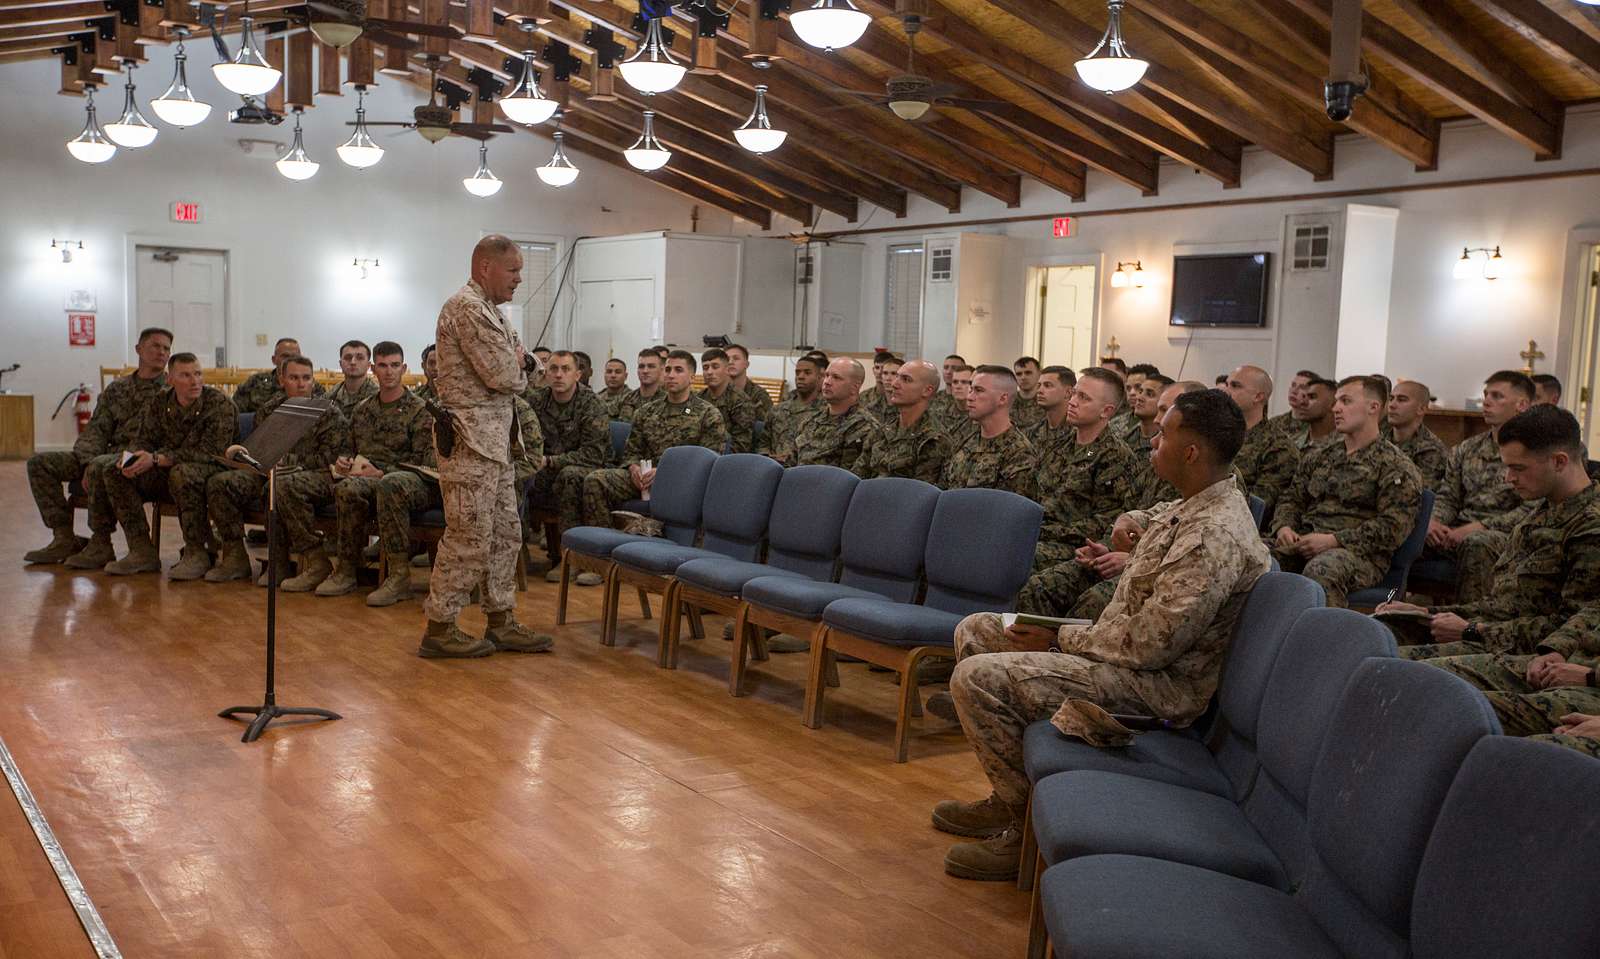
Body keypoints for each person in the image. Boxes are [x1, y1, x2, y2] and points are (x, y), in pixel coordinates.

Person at [934, 389, 1270, 881]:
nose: (1152, 441)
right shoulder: (1198, 501)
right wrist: (1131, 518)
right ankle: (1010, 797)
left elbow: (1152, 646)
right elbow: (1160, 516)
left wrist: (1057, 640)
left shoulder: (1213, 535)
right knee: (980, 629)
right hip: (1116, 652)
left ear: (1192, 452)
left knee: (977, 678)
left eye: (1163, 434)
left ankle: (1021, 831)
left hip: (1153, 688)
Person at [1377, 405, 1600, 659]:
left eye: (1518, 468)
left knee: (1390, 663)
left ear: (1559, 461)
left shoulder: (1590, 526)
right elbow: (1504, 606)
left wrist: (1473, 630)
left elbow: (1574, 628)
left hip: (1527, 656)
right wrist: (1426, 614)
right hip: (1492, 632)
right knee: (1375, 631)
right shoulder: (1542, 512)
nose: (1508, 478)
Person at [420, 234, 551, 658]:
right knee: (469, 536)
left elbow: (526, 363)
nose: (518, 280)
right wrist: (520, 364)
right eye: (512, 271)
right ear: (484, 268)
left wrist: (522, 361)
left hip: (496, 442)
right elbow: (505, 375)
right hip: (469, 442)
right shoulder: (467, 308)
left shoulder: (492, 310)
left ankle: (500, 620)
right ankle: (440, 627)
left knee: (505, 534)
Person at [1017, 380, 1203, 619]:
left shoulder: (1200, 472)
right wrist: (1107, 547)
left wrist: (1128, 556)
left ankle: (1049, 649)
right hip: (1114, 552)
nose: (1158, 419)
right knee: (1021, 570)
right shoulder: (1157, 458)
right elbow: (1134, 514)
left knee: (1078, 596)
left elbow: (1179, 543)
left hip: (1143, 565)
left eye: (1165, 411)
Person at [303, 342, 439, 605]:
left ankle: (399, 577)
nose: (389, 372)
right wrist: (344, 462)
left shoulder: (420, 410)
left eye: (395, 366)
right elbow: (348, 449)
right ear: (373, 370)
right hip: (366, 478)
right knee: (346, 488)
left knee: (390, 484)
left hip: (411, 481)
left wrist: (383, 472)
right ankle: (347, 570)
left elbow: (425, 462)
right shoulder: (363, 410)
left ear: (404, 368)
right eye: (384, 366)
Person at [1268, 375, 1422, 607]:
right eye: (1336, 402)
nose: (1336, 408)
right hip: (1304, 541)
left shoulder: (1395, 465)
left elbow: (1393, 527)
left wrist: (1334, 540)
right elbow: (1292, 497)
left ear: (1373, 407)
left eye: (1346, 401)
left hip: (1358, 555)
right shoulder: (1321, 455)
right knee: (1253, 555)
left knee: (1322, 569)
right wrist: (1284, 526)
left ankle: (1324, 641)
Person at [27, 326, 170, 566]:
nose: (161, 352)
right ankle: (64, 537)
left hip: (139, 458)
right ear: (139, 349)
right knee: (40, 463)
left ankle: (101, 542)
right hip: (101, 455)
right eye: (155, 345)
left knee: (102, 466)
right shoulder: (118, 389)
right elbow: (96, 429)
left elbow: (157, 438)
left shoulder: (170, 391)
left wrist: (97, 463)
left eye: (166, 348)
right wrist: (86, 461)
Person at [203, 355, 349, 583]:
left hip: (316, 475)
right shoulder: (270, 409)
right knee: (221, 483)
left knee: (279, 486)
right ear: (282, 380)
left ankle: (314, 560)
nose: (301, 384)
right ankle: (235, 557)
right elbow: (260, 448)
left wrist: (287, 461)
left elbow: (330, 458)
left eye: (306, 378)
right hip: (268, 471)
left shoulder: (328, 412)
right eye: (294, 378)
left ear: (313, 380)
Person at [100, 352, 237, 577]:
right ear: (170, 379)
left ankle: (197, 553)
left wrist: (156, 459)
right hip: (169, 469)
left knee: (182, 473)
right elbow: (143, 438)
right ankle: (141, 551)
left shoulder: (218, 403)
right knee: (115, 472)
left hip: (210, 470)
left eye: (198, 374)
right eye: (185, 375)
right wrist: (132, 458)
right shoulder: (160, 402)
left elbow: (210, 453)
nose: (195, 381)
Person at [578, 350, 726, 528]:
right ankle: (603, 543)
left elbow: (708, 463)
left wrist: (663, 472)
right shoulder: (647, 411)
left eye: (678, 370)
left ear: (692, 376)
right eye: (668, 370)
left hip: (682, 481)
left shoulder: (708, 414)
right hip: (644, 478)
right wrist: (633, 469)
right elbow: (631, 451)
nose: (671, 375)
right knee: (595, 480)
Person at [1428, 370, 1536, 602]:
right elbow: (1448, 496)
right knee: (1412, 532)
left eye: (1497, 396)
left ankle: (1469, 625)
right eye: (1486, 394)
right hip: (1456, 531)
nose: (1486, 401)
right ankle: (1391, 612)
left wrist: (1480, 527)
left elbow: (1533, 509)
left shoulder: (1535, 451)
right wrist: (1434, 522)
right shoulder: (1467, 448)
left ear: (1522, 404)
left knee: (1477, 543)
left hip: (1508, 536)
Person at [1032, 368, 1139, 570]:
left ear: (1106, 411)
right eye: (1074, 394)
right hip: (1040, 534)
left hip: (1077, 547)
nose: (1072, 402)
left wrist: (1044, 531)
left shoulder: (1114, 456)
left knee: (1014, 557)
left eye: (1083, 398)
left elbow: (1104, 521)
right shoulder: (1059, 444)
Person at [527, 350, 609, 542]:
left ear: (577, 375)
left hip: (588, 466)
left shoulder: (593, 404)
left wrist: (549, 461)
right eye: (553, 369)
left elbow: (593, 454)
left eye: (565, 369)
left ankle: (568, 554)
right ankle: (517, 547)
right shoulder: (537, 400)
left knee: (570, 475)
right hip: (547, 466)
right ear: (546, 374)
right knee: (515, 475)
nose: (558, 374)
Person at [940, 366, 1038, 499]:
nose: (969, 397)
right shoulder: (966, 440)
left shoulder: (1019, 453)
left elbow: (1009, 511)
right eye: (971, 389)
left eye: (979, 391)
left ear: (1002, 399)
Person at [855, 359, 953, 485]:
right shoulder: (883, 430)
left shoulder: (934, 439)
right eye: (897, 377)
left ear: (927, 390)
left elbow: (920, 494)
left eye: (906, 379)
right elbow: (858, 474)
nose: (894, 384)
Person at [1221, 364, 1300, 520]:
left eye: (1235, 386)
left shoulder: (1278, 446)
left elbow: (1258, 505)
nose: (1226, 391)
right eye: (1227, 385)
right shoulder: (1217, 434)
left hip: (1238, 524)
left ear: (1258, 397)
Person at [781, 358, 874, 471]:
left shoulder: (866, 427)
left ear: (855, 387)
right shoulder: (810, 421)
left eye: (836, 377)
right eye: (826, 375)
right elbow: (790, 464)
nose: (827, 382)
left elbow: (850, 479)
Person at [759, 354, 825, 460]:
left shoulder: (826, 411)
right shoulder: (778, 410)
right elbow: (763, 443)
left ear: (819, 378)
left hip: (805, 469)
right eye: (797, 372)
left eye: (807, 373)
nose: (801, 376)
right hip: (774, 467)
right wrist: (767, 458)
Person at [234, 337, 324, 413]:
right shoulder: (255, 383)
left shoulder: (313, 387)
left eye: (295, 356)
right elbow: (237, 415)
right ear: (274, 359)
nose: (290, 360)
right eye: (285, 356)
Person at [1386, 379, 1447, 489]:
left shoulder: (1430, 449)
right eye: (1391, 399)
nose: (1392, 405)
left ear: (1421, 409)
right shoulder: (1380, 437)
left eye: (1401, 400)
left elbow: (1419, 494)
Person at [699, 347, 755, 453]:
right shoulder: (699, 398)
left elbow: (741, 445)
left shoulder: (741, 402)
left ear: (727, 369)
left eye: (715, 367)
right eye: (705, 368)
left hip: (723, 458)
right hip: (697, 454)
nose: (709, 372)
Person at [1023, 366, 1076, 453]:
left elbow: (1091, 454)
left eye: (1047, 385)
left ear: (1068, 392)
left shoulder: (1080, 432)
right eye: (1039, 385)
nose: (1039, 391)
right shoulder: (1031, 433)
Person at [725, 343, 775, 425]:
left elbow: (768, 427)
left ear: (746, 364)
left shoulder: (759, 395)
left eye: (736, 358)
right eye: (727, 359)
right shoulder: (717, 392)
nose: (730, 362)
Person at [327, 339, 378, 417]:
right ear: (341, 364)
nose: (353, 362)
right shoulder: (330, 396)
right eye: (348, 358)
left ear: (368, 365)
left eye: (360, 358)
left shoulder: (378, 397)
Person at [1266, 369, 1317, 438]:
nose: (1294, 391)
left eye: (1302, 387)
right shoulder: (1275, 423)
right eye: (1293, 385)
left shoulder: (1316, 426)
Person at [1289, 377, 1338, 449]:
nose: (1302, 402)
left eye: (1312, 397)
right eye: (1303, 397)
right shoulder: (1292, 442)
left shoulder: (1345, 445)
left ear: (1333, 404)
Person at [618, 348, 663, 422]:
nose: (645, 371)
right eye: (641, 366)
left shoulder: (667, 400)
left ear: (661, 370)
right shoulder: (626, 399)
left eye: (651, 366)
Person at [857, 350, 899, 422]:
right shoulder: (863, 396)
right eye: (877, 367)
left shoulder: (899, 398)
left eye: (883, 369)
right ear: (873, 370)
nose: (879, 372)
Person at [1010, 356, 1045, 429]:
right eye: (1019, 374)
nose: (1023, 377)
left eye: (1028, 373)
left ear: (1039, 374)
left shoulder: (1046, 401)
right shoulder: (1008, 401)